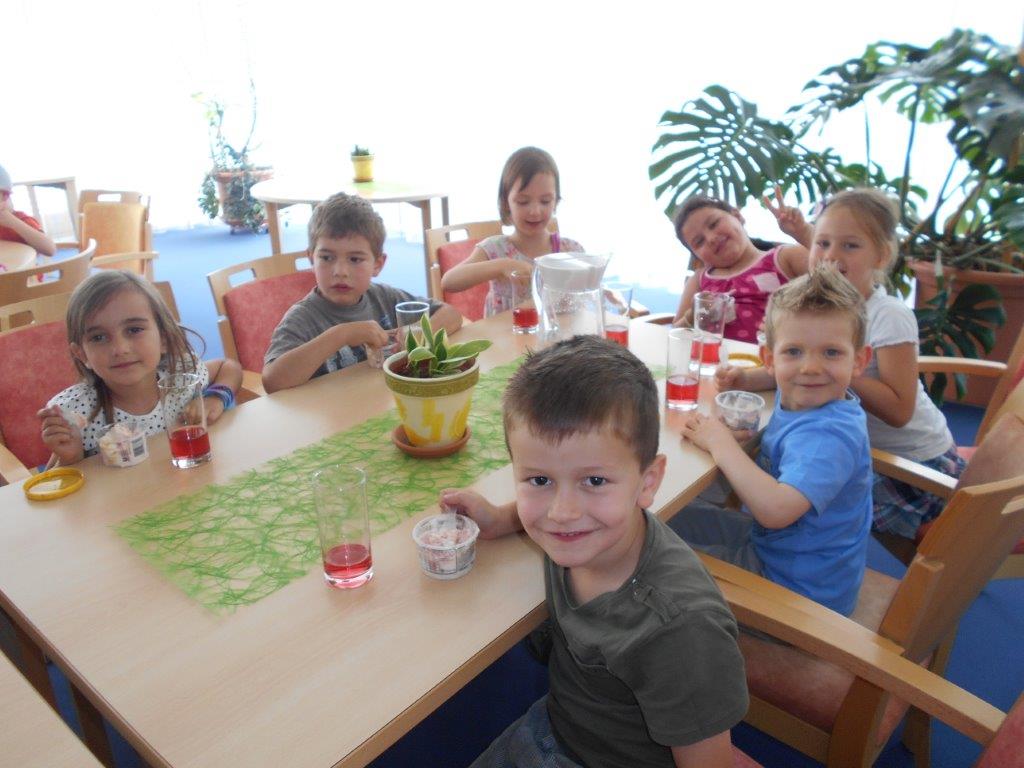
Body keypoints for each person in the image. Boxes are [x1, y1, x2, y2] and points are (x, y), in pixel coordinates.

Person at [441, 336, 748, 768]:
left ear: (648, 482)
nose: (562, 513)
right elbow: (547, 506)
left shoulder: (679, 632)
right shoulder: (586, 533)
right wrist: (501, 518)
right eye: (539, 480)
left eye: (595, 482)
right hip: (557, 725)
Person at [718, 188, 964, 539]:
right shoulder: (827, 309)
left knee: (780, 485)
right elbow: (802, 365)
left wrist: (835, 366)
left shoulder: (888, 315)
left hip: (912, 465)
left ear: (881, 255)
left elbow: (899, 411)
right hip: (855, 445)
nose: (832, 255)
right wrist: (746, 378)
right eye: (822, 243)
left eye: (850, 245)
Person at [673, 267, 873, 616]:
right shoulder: (809, 396)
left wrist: (721, 443)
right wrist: (746, 382)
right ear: (769, 359)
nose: (810, 368)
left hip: (796, 592)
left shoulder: (828, 436)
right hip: (792, 556)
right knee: (665, 520)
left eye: (831, 353)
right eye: (793, 352)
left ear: (859, 361)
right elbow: (775, 379)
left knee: (648, 556)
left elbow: (775, 511)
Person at [262, 192, 463, 393]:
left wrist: (415, 332)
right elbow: (272, 380)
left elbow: (451, 314)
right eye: (326, 257)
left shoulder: (384, 297)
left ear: (377, 264)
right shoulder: (302, 318)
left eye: (355, 259)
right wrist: (341, 335)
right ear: (311, 259)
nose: (340, 271)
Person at [37, 270, 242, 466]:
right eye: (98, 337)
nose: (120, 349)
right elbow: (51, 481)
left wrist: (216, 397)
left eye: (134, 330)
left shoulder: (181, 378)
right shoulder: (74, 412)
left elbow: (227, 367)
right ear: (82, 354)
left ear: (163, 338)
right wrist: (71, 458)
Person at [440, 147, 584, 317]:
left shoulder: (570, 251)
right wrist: (502, 266)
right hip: (502, 334)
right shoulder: (495, 248)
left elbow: (586, 299)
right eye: (523, 202)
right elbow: (449, 281)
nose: (535, 211)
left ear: (556, 201)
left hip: (555, 333)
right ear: (506, 203)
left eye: (545, 201)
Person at [671, 190, 809, 342]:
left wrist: (804, 232)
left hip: (773, 355)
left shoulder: (783, 258)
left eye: (714, 224)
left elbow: (830, 270)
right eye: (699, 242)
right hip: (714, 357)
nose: (710, 238)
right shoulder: (699, 280)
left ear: (737, 216)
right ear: (697, 256)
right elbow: (675, 333)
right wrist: (693, 315)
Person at [0, 164, 57, 258]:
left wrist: (13, 222)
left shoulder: (20, 219)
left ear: (6, 197)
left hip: (26, 267)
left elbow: (50, 249)